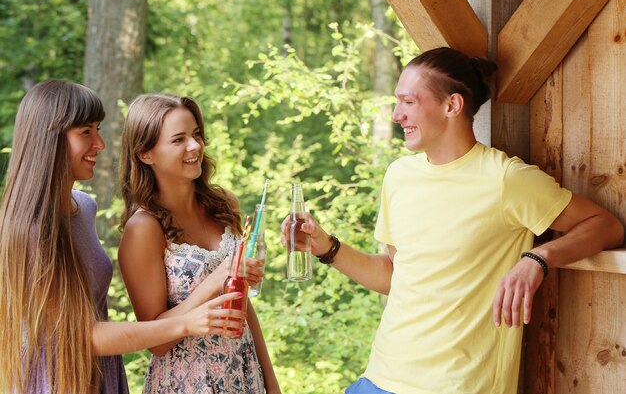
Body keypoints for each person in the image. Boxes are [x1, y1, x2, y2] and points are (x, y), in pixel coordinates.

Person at [282, 47, 624, 394]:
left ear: (452, 105)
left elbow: (606, 225)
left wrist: (538, 258)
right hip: (379, 378)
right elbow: (396, 276)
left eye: (408, 102)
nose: (397, 114)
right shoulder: (399, 175)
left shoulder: (505, 179)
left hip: (456, 386)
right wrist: (328, 248)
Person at [0, 80, 246, 394]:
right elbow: (80, 337)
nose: (100, 144)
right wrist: (186, 322)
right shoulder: (29, 231)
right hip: (58, 380)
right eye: (85, 132)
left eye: (97, 129)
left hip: (102, 376)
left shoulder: (84, 208)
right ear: (49, 138)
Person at [118, 93, 281, 394]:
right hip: (188, 384)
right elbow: (155, 342)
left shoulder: (222, 204)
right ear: (145, 154)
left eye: (195, 135)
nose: (195, 146)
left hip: (245, 375)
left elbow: (242, 305)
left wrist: (271, 384)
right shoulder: (143, 229)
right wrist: (215, 281)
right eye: (178, 140)